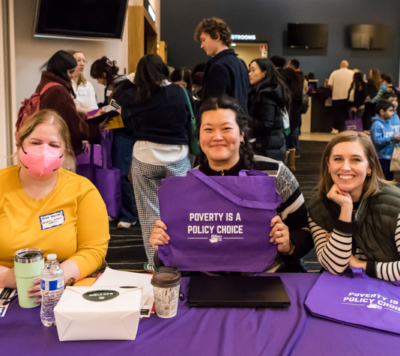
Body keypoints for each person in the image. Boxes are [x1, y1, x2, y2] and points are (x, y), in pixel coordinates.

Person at [150, 95, 313, 273]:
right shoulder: (185, 186)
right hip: (207, 283)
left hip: (268, 278)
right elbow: (169, 259)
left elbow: (305, 230)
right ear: (199, 138)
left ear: (242, 135)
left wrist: (289, 244)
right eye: (209, 130)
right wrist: (161, 247)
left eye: (226, 128)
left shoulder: (275, 174)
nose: (217, 137)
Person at [0, 110, 109, 300]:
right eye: (35, 143)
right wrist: (7, 277)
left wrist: (56, 277)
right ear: (19, 143)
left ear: (65, 150)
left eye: (53, 145)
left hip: (63, 288)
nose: (43, 151)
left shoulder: (83, 191)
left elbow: (93, 250)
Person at [117, 54, 193, 271]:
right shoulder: (180, 92)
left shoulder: (134, 94)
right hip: (177, 159)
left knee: (149, 212)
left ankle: (154, 262)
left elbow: (112, 103)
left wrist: (128, 80)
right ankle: (181, 260)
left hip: (145, 157)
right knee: (180, 211)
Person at [308, 131, 400, 282]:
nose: (345, 167)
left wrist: (361, 265)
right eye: (337, 159)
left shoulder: (396, 204)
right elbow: (334, 267)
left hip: (386, 291)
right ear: (328, 165)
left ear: (370, 167)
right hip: (338, 290)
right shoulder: (319, 206)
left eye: (355, 160)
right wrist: (346, 208)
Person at [90, 57, 138, 229]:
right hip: (115, 134)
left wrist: (105, 112)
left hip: (124, 134)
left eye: (98, 77)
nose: (98, 81)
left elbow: (124, 113)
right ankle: (117, 210)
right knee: (112, 173)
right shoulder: (115, 87)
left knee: (120, 174)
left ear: (104, 74)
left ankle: (129, 214)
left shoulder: (124, 88)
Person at [33, 50, 102, 157]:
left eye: (84, 61)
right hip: (58, 148)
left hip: (46, 145)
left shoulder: (45, 84)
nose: (70, 76)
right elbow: (74, 125)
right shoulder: (59, 91)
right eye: (70, 72)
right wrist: (96, 126)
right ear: (62, 71)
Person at [194, 17, 249, 114]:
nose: (202, 45)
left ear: (216, 36)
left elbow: (214, 106)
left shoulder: (218, 66)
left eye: (203, 40)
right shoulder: (241, 63)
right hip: (238, 124)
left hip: (223, 124)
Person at [248, 58, 290, 162]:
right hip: (270, 146)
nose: (249, 74)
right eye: (249, 70)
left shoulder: (266, 95)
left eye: (253, 70)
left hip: (267, 148)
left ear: (264, 73)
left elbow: (266, 124)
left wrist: (244, 117)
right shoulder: (265, 91)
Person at [279, 67, 303, 170]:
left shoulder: (284, 90)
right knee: (290, 140)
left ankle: (285, 165)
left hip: (286, 119)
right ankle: (291, 165)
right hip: (295, 119)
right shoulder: (297, 88)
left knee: (284, 140)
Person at [370, 99, 398, 180]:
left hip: (389, 157)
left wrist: (396, 140)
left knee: (389, 180)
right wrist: (392, 138)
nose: (393, 113)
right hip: (381, 158)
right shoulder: (377, 125)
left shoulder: (388, 123)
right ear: (382, 112)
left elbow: (390, 140)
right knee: (382, 180)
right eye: (391, 111)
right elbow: (377, 141)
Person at [328, 60, 354, 133]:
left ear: (340, 65)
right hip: (348, 98)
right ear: (347, 66)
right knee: (347, 114)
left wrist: (335, 90)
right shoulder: (352, 73)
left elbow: (330, 85)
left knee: (337, 114)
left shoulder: (334, 73)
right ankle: (346, 129)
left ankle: (336, 128)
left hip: (336, 97)